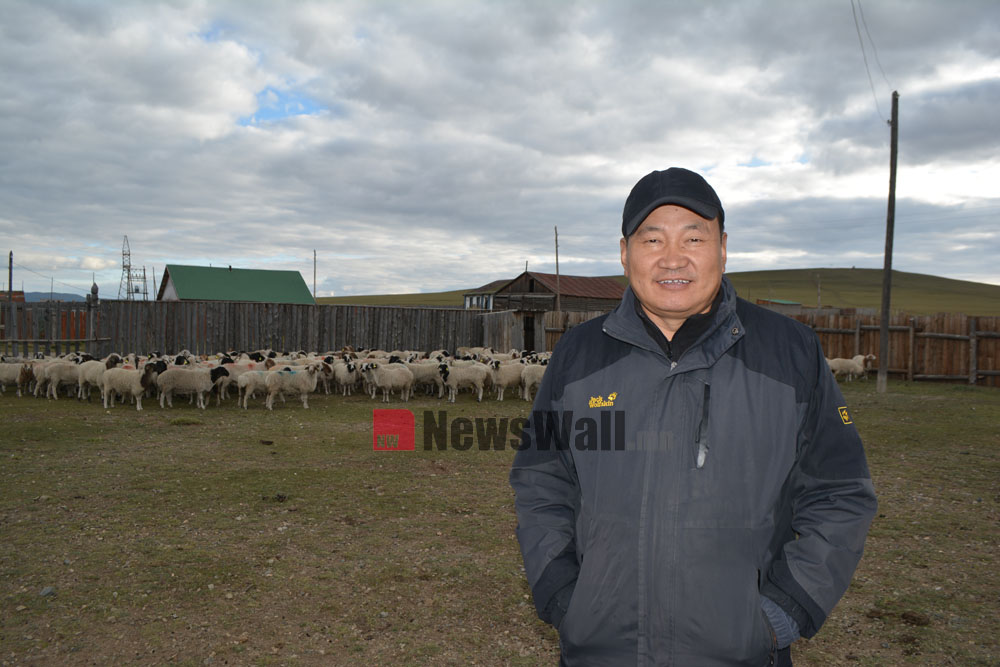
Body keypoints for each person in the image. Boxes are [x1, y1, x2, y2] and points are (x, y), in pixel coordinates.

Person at [509, 168, 877, 666]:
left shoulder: (790, 354)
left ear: (722, 248)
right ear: (625, 253)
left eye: (694, 238)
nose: (672, 258)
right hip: (601, 649)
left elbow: (840, 491)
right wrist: (563, 595)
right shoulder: (577, 356)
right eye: (652, 239)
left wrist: (782, 612)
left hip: (740, 653)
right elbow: (541, 478)